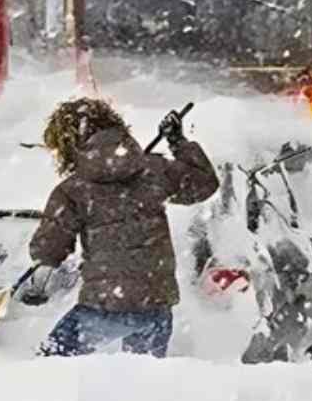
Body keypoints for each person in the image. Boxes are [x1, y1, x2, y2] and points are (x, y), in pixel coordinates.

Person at [22, 98, 219, 357]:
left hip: (104, 305)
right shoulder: (153, 171)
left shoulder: (73, 190)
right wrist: (178, 142)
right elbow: (204, 184)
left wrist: (38, 274)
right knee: (140, 383)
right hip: (156, 305)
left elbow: (49, 246)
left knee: (46, 366)